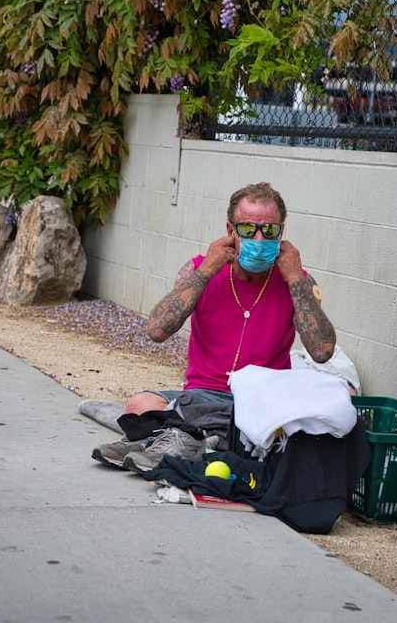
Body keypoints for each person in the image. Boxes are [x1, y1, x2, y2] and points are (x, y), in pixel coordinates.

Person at [92, 182, 338, 473]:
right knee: (139, 405)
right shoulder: (200, 269)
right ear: (230, 230)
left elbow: (322, 351)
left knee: (284, 428)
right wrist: (207, 270)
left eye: (269, 230)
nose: (259, 238)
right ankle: (201, 442)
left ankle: (178, 441)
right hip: (203, 396)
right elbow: (157, 331)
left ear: (281, 234)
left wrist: (295, 278)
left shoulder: (298, 281)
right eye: (248, 229)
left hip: (262, 400)